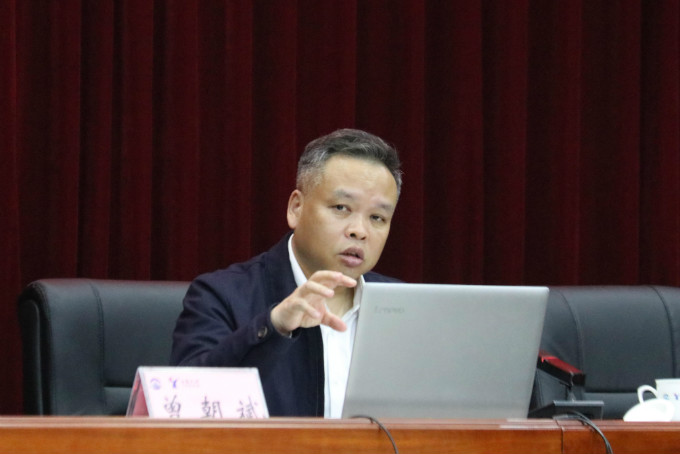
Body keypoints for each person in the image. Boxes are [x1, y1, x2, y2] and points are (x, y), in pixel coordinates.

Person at [170, 128, 403, 417]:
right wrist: (275, 326)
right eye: (341, 208)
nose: (359, 231)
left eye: (377, 217)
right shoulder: (221, 296)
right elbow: (183, 406)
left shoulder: (404, 308)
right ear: (296, 208)